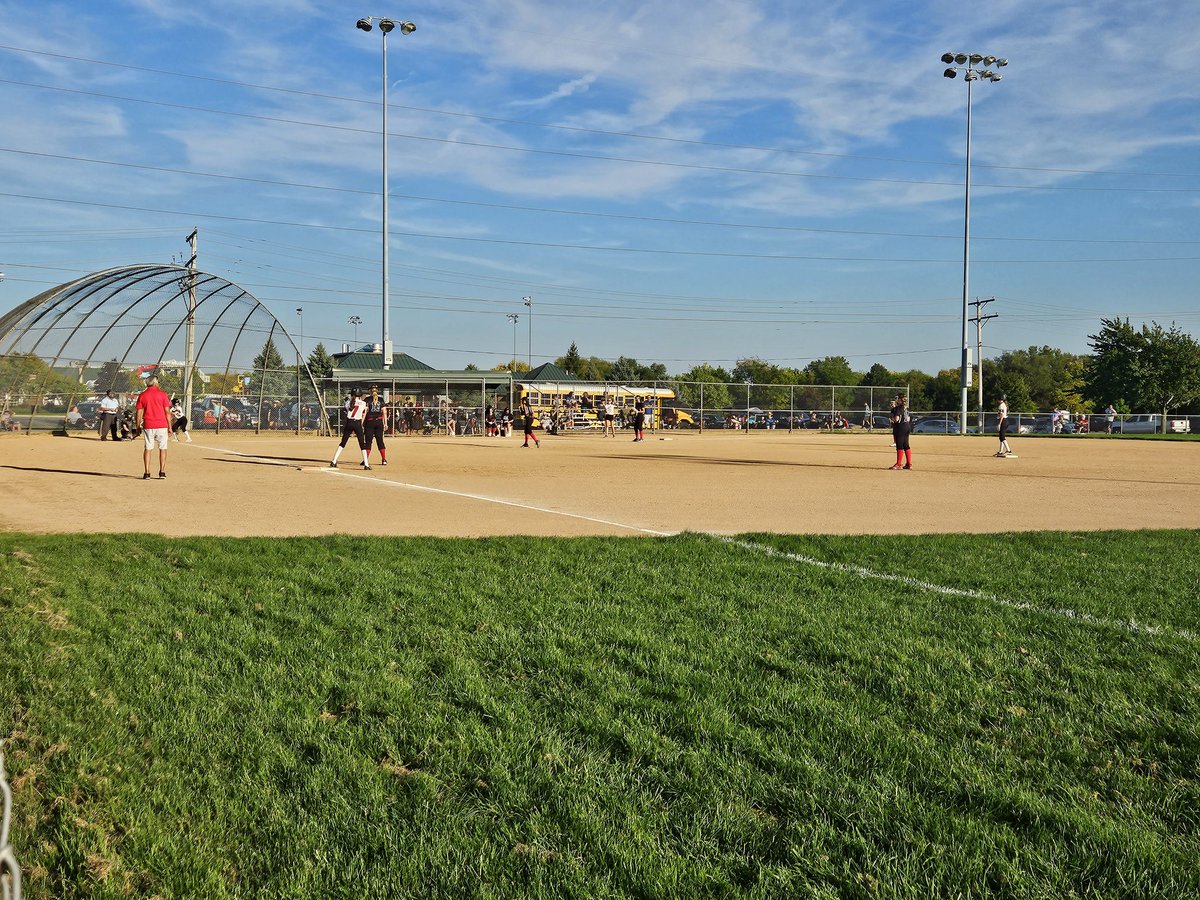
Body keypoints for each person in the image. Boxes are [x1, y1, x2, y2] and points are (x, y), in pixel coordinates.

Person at [135, 375, 173, 479]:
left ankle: (147, 472)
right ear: (156, 383)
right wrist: (170, 427)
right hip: (161, 425)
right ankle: (162, 472)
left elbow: (139, 412)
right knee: (163, 448)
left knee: (148, 448)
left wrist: (138, 426)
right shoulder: (163, 394)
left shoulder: (143, 395)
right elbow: (167, 412)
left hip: (148, 424)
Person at [330, 388, 370, 469]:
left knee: (343, 443)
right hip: (357, 423)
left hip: (349, 423)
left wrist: (349, 401)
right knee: (362, 444)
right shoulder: (363, 403)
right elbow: (362, 410)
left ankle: (334, 461)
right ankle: (366, 464)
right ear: (360, 395)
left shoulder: (348, 402)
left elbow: (349, 407)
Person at [363, 385, 389, 466]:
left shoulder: (367, 400)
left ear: (370, 391)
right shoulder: (381, 400)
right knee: (380, 441)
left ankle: (365, 460)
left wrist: (361, 422)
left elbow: (365, 412)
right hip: (379, 422)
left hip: (369, 422)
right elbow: (384, 412)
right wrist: (385, 423)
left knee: (368, 441)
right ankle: (384, 459)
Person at [889, 394, 912, 470]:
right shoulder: (907, 408)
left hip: (900, 428)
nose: (896, 400)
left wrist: (891, 417)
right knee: (906, 445)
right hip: (907, 426)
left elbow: (897, 419)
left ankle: (898, 464)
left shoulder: (897, 408)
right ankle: (909, 464)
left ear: (900, 400)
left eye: (897, 398)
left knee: (899, 446)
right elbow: (908, 419)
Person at [996, 394, 1015, 458]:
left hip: (1003, 421)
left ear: (999, 399)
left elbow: (1001, 415)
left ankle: (1008, 450)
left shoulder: (1001, 405)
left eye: (997, 399)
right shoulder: (1004, 405)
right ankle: (1000, 451)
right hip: (1005, 421)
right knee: (1001, 437)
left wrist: (999, 424)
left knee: (1002, 437)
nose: (996, 400)